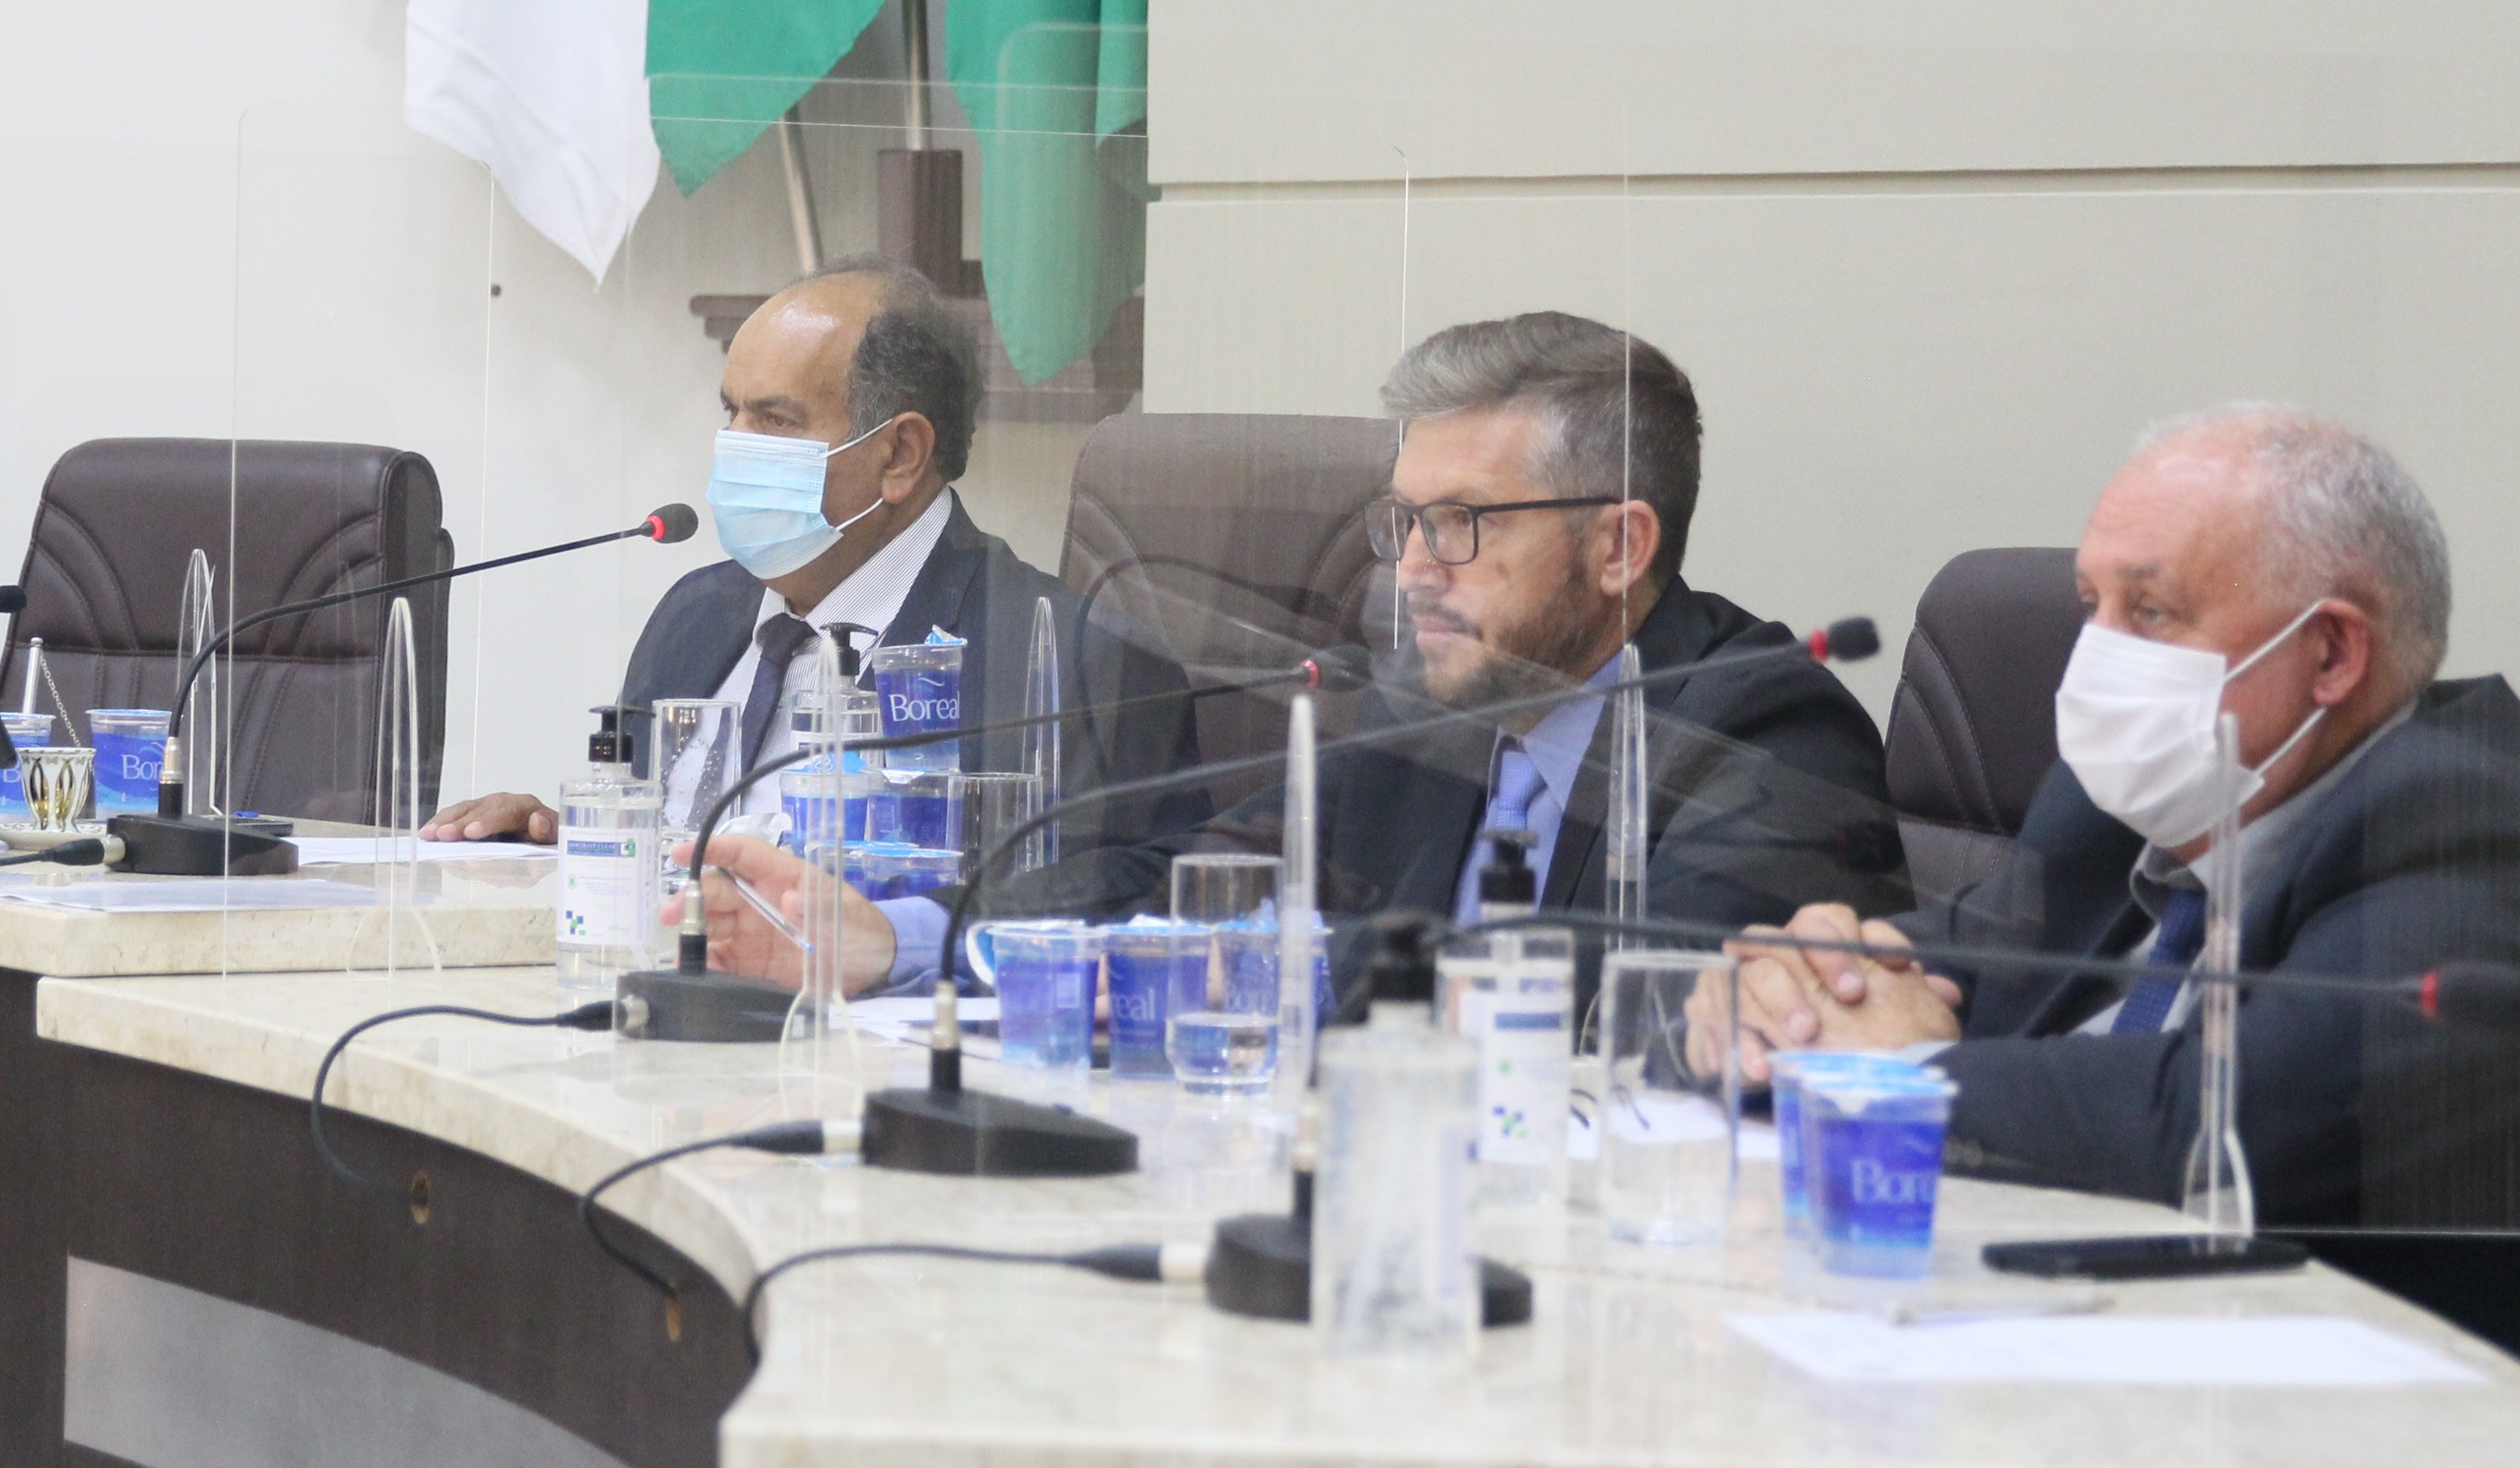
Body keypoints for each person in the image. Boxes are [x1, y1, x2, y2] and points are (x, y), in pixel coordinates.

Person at [698, 311, 1909, 995]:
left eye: (1462, 524)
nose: (1414, 569)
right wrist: (896, 939)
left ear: (1618, 546)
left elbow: (1629, 1007)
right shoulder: (1421, 708)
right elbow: (1185, 887)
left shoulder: (1769, 734)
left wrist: (1275, 971)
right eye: (1403, 521)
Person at [1728, 406, 2520, 1226]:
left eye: (2150, 611)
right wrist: (1779, 998)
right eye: (2089, 605)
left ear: (2331, 653)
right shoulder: (2107, 808)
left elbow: (2218, 1125)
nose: (2092, 658)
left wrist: (1896, 1073)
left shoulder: (2467, 823)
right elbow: (1928, 966)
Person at [426, 259, 1200, 978]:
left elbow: (1128, 900)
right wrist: (569, 844)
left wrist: (888, 938)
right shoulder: (696, 615)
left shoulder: (1071, 661)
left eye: (775, 420)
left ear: (899, 455)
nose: (734, 447)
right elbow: (659, 848)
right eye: (730, 411)